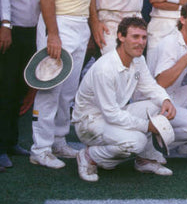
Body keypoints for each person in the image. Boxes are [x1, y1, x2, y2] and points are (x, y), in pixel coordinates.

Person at [30, 0, 102, 169]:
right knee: (50, 89)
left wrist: (91, 27)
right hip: (58, 23)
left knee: (68, 91)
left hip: (79, 26)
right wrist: (53, 34)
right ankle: (40, 148)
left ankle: (59, 141)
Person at [72, 17, 176, 181]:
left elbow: (150, 86)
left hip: (112, 114)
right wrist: (147, 126)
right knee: (137, 141)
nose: (141, 42)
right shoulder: (105, 69)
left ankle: (144, 160)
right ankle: (89, 156)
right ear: (121, 36)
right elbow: (111, 114)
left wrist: (165, 100)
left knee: (155, 106)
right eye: (135, 37)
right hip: (89, 123)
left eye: (143, 37)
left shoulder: (138, 59)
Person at [0, 0, 43, 169]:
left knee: (20, 89)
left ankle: (13, 142)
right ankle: (1, 147)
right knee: (4, 89)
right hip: (11, 34)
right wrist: (5, 26)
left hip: (34, 35)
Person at [147, 2, 187, 156]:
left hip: (172, 95)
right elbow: (161, 82)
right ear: (182, 20)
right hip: (154, 101)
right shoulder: (170, 42)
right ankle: (151, 144)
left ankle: (181, 144)